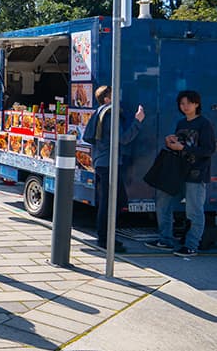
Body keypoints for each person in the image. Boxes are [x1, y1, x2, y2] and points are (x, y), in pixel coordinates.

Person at [146, 90, 214, 257]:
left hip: (196, 174)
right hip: (177, 171)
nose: (185, 107)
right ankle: (165, 240)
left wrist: (183, 147)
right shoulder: (181, 123)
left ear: (196, 104)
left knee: (194, 210)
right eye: (182, 104)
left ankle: (191, 246)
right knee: (163, 204)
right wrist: (171, 142)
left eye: (188, 103)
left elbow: (209, 149)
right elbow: (180, 146)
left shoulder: (204, 124)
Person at [82, 85, 144, 253]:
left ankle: (105, 237)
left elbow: (88, 137)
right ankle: (105, 239)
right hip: (109, 162)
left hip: (101, 161)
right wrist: (138, 121)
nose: (119, 97)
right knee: (112, 203)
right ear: (107, 98)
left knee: (111, 201)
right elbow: (122, 139)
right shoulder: (110, 114)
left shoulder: (99, 112)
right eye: (114, 94)